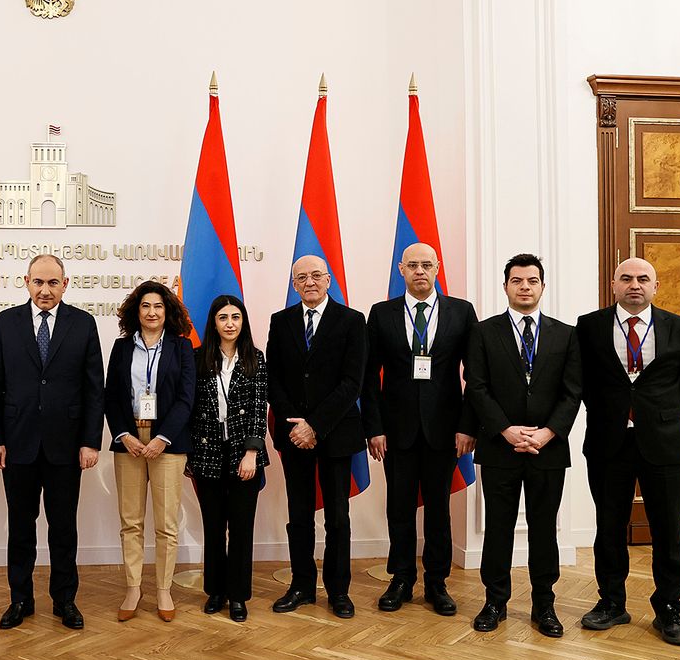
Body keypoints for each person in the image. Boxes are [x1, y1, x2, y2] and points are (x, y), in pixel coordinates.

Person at [577, 257, 680, 646]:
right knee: (609, 527)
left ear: (655, 286)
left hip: (664, 444)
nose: (635, 284)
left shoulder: (679, 328)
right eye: (627, 278)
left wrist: (659, 416)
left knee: (668, 531)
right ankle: (611, 603)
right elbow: (578, 379)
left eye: (643, 278)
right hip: (608, 442)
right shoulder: (589, 326)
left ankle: (669, 609)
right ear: (613, 285)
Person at [0, 254, 104, 630]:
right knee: (20, 526)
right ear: (26, 282)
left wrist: (90, 441)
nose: (45, 290)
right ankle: (20, 599)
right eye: (39, 282)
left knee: (63, 527)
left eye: (53, 283)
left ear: (65, 285)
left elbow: (93, 388)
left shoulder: (83, 324)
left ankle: (65, 600)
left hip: (66, 446)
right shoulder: (6, 322)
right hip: (16, 444)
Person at [464, 253, 580, 638]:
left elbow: (572, 392)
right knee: (498, 527)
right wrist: (505, 430)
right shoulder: (483, 332)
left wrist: (548, 433)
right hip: (501, 448)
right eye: (517, 281)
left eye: (532, 281)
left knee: (544, 529)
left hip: (548, 448)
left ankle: (544, 604)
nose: (525, 287)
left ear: (542, 286)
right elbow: (476, 388)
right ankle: (495, 601)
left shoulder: (566, 334)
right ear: (506, 287)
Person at [362, 242, 477, 615]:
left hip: (445, 431)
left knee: (439, 510)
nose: (420, 272)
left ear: (438, 267)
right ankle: (401, 579)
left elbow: (473, 375)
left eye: (427, 265)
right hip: (396, 431)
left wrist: (467, 426)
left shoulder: (461, 312)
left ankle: (437, 583)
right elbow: (369, 377)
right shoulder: (382, 314)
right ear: (401, 270)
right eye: (412, 265)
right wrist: (374, 428)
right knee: (398, 507)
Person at [268, 254, 367, 619]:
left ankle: (338, 591)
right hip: (294, 437)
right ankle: (302, 585)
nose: (309, 282)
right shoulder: (281, 322)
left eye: (315, 276)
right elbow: (273, 378)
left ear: (328, 280)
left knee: (338, 516)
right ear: (294, 284)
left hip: (336, 434)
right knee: (299, 514)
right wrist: (297, 427)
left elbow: (351, 382)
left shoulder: (352, 321)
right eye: (301, 277)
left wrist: (315, 424)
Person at [104, 282, 195, 622]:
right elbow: (111, 395)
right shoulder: (122, 347)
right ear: (136, 311)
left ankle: (163, 590)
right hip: (129, 440)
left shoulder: (182, 347)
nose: (152, 312)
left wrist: (163, 438)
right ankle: (133, 588)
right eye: (145, 306)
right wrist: (125, 435)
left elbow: (187, 398)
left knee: (166, 524)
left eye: (158, 306)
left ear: (167, 311)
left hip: (167, 443)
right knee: (130, 521)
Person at [188, 295, 269, 623]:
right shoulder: (197, 359)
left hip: (243, 456)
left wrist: (252, 452)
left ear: (243, 321)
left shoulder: (255, 359)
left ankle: (238, 595)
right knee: (213, 526)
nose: (230, 323)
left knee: (240, 528)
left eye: (236, 317)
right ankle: (215, 592)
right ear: (214, 323)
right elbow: (190, 409)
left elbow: (258, 409)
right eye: (223, 317)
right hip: (206, 453)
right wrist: (188, 454)